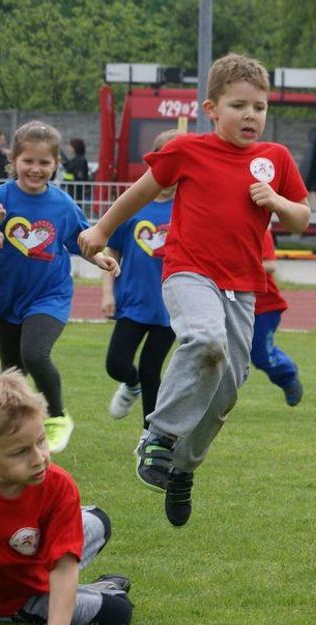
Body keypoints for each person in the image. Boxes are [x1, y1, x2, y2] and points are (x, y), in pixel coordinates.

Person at [78, 53, 310, 528]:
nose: (251, 116)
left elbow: (301, 219)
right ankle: (157, 436)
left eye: (260, 107)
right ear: (211, 108)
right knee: (204, 341)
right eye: (239, 105)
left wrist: (277, 201)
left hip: (243, 287)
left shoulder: (276, 160)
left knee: (226, 389)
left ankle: (182, 469)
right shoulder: (188, 150)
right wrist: (101, 230)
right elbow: (140, 192)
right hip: (188, 272)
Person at [0, 121, 119, 454]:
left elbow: (80, 240)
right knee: (12, 373)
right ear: (13, 160)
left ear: (56, 164)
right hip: (8, 296)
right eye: (28, 161)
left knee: (35, 353)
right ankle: (14, 431)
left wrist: (100, 258)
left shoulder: (62, 205)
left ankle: (57, 416)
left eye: (44, 163)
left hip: (50, 295)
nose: (36, 169)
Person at [0, 369, 133, 625]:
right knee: (118, 611)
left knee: (97, 520)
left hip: (38, 561)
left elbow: (64, 565)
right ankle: (102, 589)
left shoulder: (58, 484)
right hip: (11, 597)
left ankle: (65, 589)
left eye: (40, 441)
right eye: (20, 452)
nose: (39, 458)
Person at [101, 129, 178, 433]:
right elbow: (112, 249)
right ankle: (130, 386)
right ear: (155, 162)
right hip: (133, 302)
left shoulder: (186, 206)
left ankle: (150, 437)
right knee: (116, 364)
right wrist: (107, 293)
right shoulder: (134, 203)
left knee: (151, 370)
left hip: (170, 307)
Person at [251, 230, 303, 405]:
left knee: (261, 356)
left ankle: (287, 375)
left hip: (264, 307)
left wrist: (239, 264)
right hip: (232, 303)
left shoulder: (261, 229)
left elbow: (271, 265)